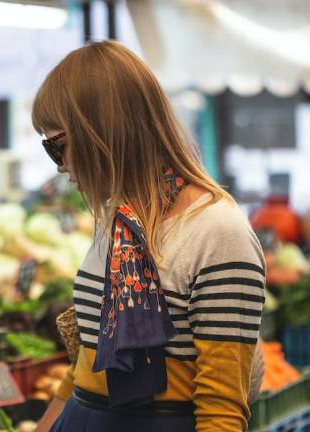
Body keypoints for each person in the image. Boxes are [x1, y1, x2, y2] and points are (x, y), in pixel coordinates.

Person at [32, 41, 265, 432]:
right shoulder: (118, 220)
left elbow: (222, 409)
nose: (60, 166)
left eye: (57, 147)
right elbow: (88, 363)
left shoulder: (218, 232)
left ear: (101, 132)